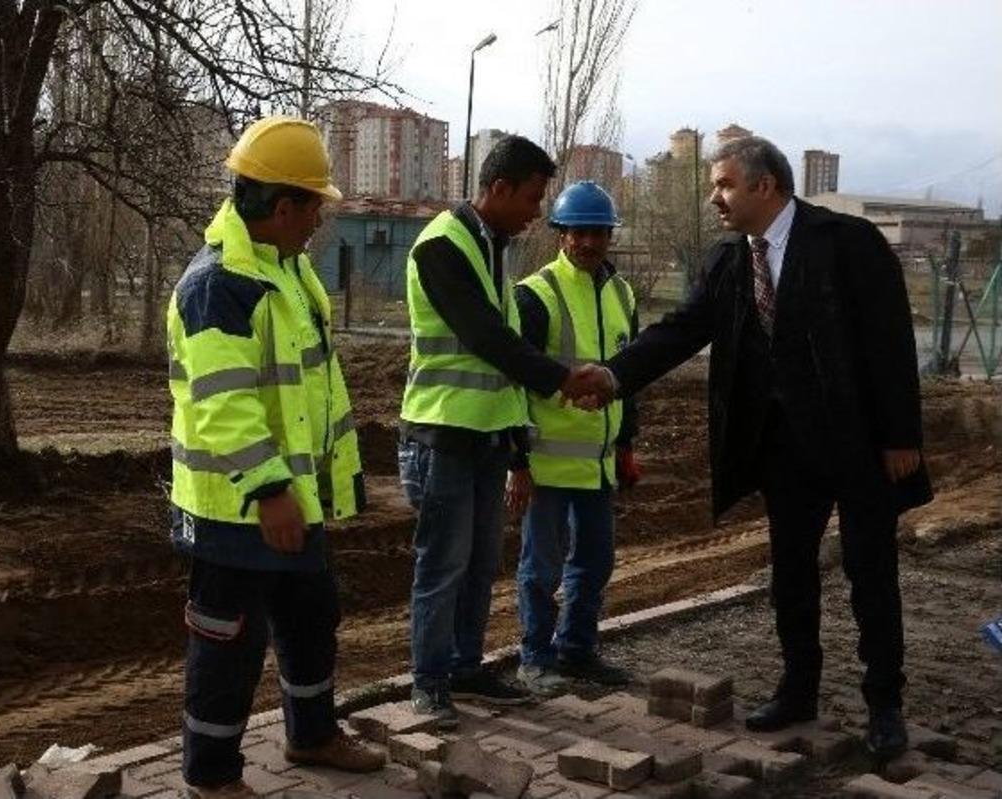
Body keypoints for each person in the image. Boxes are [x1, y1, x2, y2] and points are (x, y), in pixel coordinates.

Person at [597, 136, 931, 759]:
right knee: (792, 575)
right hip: (784, 450)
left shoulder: (846, 244)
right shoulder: (729, 260)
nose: (714, 197)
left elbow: (890, 341)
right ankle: (797, 690)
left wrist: (901, 436)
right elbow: (680, 331)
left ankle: (884, 704)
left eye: (723, 184)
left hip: (858, 444)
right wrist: (615, 376)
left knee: (871, 574)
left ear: (764, 186)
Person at [167, 116, 385, 799]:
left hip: (293, 498)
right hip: (237, 505)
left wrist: (317, 485)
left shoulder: (285, 273)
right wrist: (268, 490)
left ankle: (311, 733)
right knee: (228, 641)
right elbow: (223, 404)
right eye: (314, 203)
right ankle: (212, 776)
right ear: (283, 205)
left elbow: (309, 391)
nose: (320, 217)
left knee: (311, 618)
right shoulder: (218, 286)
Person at [398, 135, 613, 729]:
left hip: (488, 436)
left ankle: (466, 667)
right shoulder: (442, 246)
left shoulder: (493, 247)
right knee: (442, 565)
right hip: (443, 432)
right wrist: (564, 380)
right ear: (497, 190)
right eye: (531, 198)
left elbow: (506, 360)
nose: (536, 212)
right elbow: (487, 339)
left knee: (477, 563)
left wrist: (518, 446)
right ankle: (430, 680)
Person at [508, 181, 641, 697]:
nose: (588, 242)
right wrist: (517, 459)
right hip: (546, 465)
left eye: (598, 232)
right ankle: (535, 657)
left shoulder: (622, 294)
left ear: (609, 236)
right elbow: (513, 384)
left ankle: (577, 650)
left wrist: (626, 444)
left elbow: (629, 377)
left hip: (599, 465)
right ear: (561, 234)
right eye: (578, 231)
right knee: (540, 568)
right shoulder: (535, 295)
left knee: (595, 562)